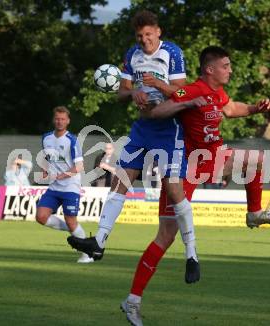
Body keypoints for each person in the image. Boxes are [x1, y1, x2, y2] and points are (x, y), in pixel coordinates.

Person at [121, 46, 270, 325]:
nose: (230, 69)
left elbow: (231, 108)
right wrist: (184, 104)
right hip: (185, 166)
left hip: (214, 158)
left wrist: (256, 109)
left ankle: (254, 213)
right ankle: (132, 300)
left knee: (257, 160)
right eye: (226, 65)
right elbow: (159, 110)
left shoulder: (217, 92)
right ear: (209, 69)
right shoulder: (192, 89)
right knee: (165, 236)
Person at [67, 10, 198, 285]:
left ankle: (191, 255)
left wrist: (158, 85)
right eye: (140, 36)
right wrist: (133, 92)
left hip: (169, 130)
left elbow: (184, 93)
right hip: (142, 129)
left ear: (158, 32)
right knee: (120, 181)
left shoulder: (172, 52)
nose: (144, 40)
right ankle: (99, 242)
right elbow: (121, 93)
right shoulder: (132, 54)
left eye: (149, 34)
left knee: (174, 191)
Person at [35, 106, 93, 264]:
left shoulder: (72, 141)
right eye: (57, 118)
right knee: (41, 217)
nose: (60, 121)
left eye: (63, 119)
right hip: (54, 187)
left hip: (70, 187)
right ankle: (74, 230)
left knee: (71, 220)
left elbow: (79, 167)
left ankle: (87, 254)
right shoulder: (46, 138)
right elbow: (47, 158)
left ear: (68, 121)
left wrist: (63, 174)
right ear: (54, 120)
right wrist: (45, 171)